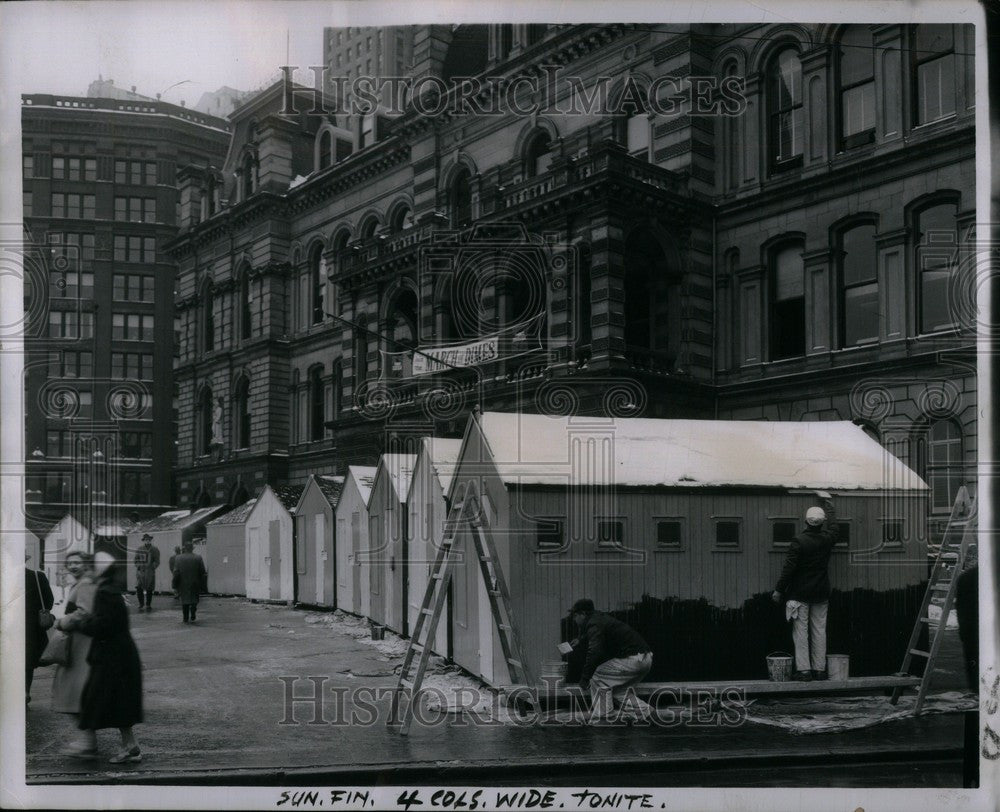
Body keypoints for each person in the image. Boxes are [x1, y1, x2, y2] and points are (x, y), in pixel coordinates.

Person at [57, 551, 143, 763]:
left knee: (98, 699)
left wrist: (78, 624)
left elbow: (103, 625)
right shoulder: (111, 590)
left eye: (92, 567)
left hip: (110, 655)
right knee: (118, 701)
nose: (89, 570)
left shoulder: (104, 592)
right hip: (119, 653)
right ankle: (129, 745)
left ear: (100, 570)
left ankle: (97, 744)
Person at [772, 496, 839, 681]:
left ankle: (804, 671)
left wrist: (779, 590)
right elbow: (835, 529)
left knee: (801, 632)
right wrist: (830, 509)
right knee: (820, 630)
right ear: (822, 523)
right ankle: (819, 670)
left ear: (806, 522)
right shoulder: (827, 539)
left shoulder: (799, 541)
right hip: (821, 592)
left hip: (799, 593)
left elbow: (789, 568)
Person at [570, 598, 653, 723]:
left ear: (583, 614)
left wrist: (585, 678)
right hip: (645, 658)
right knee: (619, 691)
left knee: (597, 676)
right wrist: (580, 639)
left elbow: (594, 652)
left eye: (575, 616)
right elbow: (596, 632)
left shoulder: (594, 624)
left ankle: (604, 718)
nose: (573, 619)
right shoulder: (598, 618)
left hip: (633, 660)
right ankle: (647, 713)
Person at [51, 552, 99, 743]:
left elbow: (84, 612)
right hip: (79, 642)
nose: (73, 566)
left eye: (77, 563)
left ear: (85, 564)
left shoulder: (85, 584)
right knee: (75, 692)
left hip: (81, 644)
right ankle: (87, 738)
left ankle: (88, 739)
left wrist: (63, 622)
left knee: (75, 691)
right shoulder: (82, 583)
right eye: (70, 563)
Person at [25, 557, 55, 705]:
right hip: (31, 630)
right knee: (27, 663)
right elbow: (49, 601)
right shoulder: (37, 577)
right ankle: (25, 692)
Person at [173, 541, 207, 624]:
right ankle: (193, 613)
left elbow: (176, 572)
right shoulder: (198, 557)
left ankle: (185, 618)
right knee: (194, 599)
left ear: (184, 549)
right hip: (195, 582)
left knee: (184, 600)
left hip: (183, 583)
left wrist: (175, 584)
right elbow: (202, 571)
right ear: (192, 549)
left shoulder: (178, 558)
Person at [134, 534, 160, 612]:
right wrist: (138, 565)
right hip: (140, 572)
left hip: (149, 572)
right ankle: (141, 603)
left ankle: (148, 604)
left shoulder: (155, 549)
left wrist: (153, 567)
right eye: (146, 539)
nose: (147, 541)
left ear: (150, 540)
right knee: (139, 587)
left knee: (149, 588)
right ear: (144, 540)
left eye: (149, 539)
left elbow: (157, 561)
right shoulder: (139, 549)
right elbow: (136, 560)